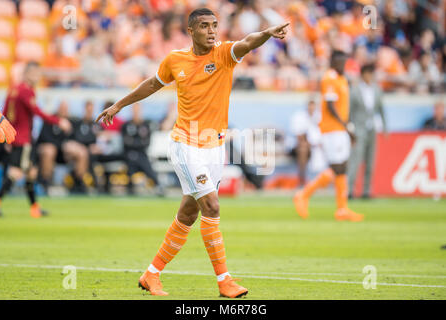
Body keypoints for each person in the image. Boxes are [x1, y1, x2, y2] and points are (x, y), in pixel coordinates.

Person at [96, 8, 289, 298]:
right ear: (190, 30)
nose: (211, 31)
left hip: (214, 148)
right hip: (186, 145)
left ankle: (151, 274)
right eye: (204, 26)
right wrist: (118, 105)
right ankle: (225, 281)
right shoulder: (176, 60)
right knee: (211, 207)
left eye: (214, 25)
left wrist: (266, 34)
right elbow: (151, 84)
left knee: (188, 214)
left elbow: (247, 42)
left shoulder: (224, 54)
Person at [293, 51, 364, 222]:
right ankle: (304, 194)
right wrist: (347, 127)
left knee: (343, 167)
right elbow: (331, 106)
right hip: (332, 129)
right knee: (337, 167)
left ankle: (342, 209)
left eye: (344, 61)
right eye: (340, 61)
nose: (343, 65)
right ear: (333, 61)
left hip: (340, 129)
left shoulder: (342, 79)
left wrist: (347, 128)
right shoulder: (329, 78)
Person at [0, 62, 71, 218]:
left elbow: (4, 113)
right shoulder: (26, 91)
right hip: (23, 139)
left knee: (32, 172)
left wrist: (6, 137)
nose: (38, 78)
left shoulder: (14, 90)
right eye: (36, 74)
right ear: (28, 74)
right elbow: (37, 112)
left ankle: (34, 208)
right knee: (16, 172)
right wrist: (59, 121)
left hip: (17, 136)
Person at [347, 64, 387, 199]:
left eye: (371, 73)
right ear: (362, 74)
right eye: (368, 73)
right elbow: (350, 111)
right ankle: (350, 190)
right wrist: (350, 127)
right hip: (359, 128)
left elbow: (381, 109)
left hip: (372, 128)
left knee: (371, 161)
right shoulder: (355, 90)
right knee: (356, 160)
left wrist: (385, 127)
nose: (370, 76)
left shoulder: (376, 89)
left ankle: (366, 191)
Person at [122, 103, 164, 196]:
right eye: (134, 110)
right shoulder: (126, 125)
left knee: (141, 159)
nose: (136, 112)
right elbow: (125, 142)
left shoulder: (145, 125)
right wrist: (138, 142)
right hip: (129, 154)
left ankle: (132, 187)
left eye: (138, 110)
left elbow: (146, 143)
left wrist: (133, 142)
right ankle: (157, 185)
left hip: (141, 154)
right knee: (133, 158)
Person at [289, 98, 322, 186]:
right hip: (303, 145)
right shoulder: (299, 116)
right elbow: (299, 136)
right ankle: (302, 180)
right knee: (303, 149)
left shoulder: (319, 116)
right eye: (310, 105)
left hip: (317, 146)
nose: (311, 107)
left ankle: (327, 181)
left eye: (313, 105)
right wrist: (309, 144)